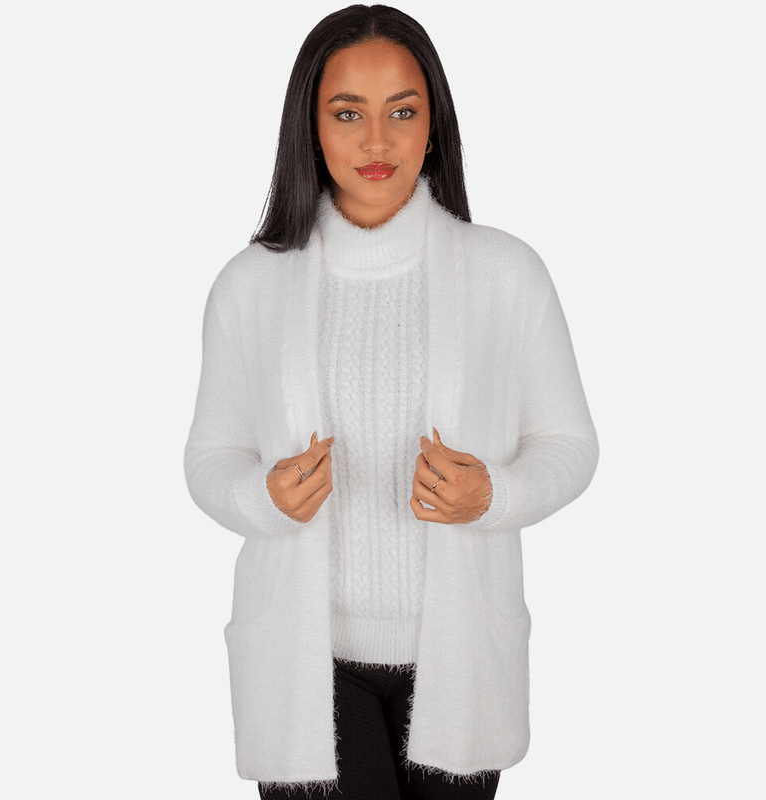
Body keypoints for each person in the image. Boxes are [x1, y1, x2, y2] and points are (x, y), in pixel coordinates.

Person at [184, 5, 598, 799]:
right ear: (310, 128)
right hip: (304, 660)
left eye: (402, 112)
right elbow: (210, 457)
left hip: (460, 655)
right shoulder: (250, 285)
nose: (377, 142)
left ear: (433, 125)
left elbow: (570, 443)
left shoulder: (506, 273)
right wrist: (262, 496)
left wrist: (494, 493)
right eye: (348, 114)